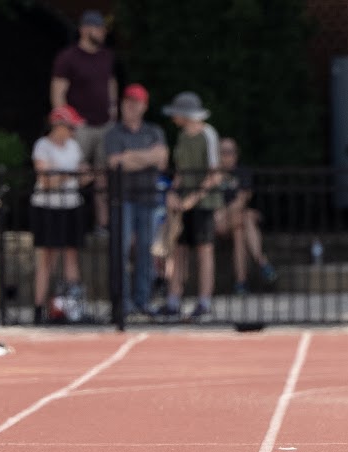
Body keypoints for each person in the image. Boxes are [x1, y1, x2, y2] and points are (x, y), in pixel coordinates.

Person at [102, 83, 170, 317]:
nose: (131, 106)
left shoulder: (154, 131)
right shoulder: (113, 133)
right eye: (128, 101)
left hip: (148, 198)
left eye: (136, 102)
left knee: (145, 251)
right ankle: (122, 303)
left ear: (144, 106)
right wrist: (147, 157)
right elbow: (115, 163)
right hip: (122, 199)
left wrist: (131, 156)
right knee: (120, 250)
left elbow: (162, 160)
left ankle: (142, 301)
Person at [158, 91, 223, 321]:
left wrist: (194, 198)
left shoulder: (208, 134)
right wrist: (173, 193)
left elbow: (214, 174)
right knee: (178, 250)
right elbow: (180, 172)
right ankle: (174, 300)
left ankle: (204, 301)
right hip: (183, 202)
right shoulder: (182, 136)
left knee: (204, 250)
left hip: (204, 201)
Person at [50, 9, 117, 224]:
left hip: (104, 125)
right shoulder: (68, 58)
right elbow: (58, 92)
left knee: (103, 178)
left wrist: (113, 109)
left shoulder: (106, 56)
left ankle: (102, 225)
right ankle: (69, 221)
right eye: (99, 28)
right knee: (74, 174)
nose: (103, 33)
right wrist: (65, 123)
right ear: (85, 29)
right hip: (80, 127)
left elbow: (110, 82)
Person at [30, 105, 92, 324]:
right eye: (70, 127)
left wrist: (83, 175)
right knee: (47, 257)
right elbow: (46, 180)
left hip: (70, 205)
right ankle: (39, 308)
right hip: (47, 207)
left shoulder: (73, 147)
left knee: (71, 255)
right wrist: (70, 174)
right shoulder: (42, 146)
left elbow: (76, 178)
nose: (74, 131)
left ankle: (73, 308)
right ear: (58, 126)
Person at [215, 137, 274, 295]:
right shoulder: (213, 175)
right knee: (246, 216)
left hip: (231, 218)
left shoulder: (242, 172)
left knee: (241, 224)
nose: (227, 156)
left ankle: (241, 282)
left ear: (236, 154)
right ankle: (262, 262)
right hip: (217, 222)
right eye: (223, 152)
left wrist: (225, 212)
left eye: (230, 152)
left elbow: (242, 199)